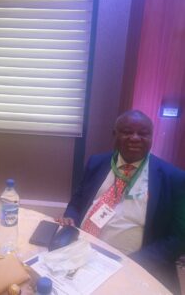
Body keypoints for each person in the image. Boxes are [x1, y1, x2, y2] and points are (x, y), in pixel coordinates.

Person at [57, 110, 185, 293]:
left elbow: (179, 238)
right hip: (81, 250)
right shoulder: (97, 162)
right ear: (114, 134)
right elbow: (78, 199)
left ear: (151, 136)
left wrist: (135, 262)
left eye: (143, 133)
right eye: (127, 131)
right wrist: (70, 216)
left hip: (135, 263)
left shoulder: (174, 178)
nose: (135, 138)